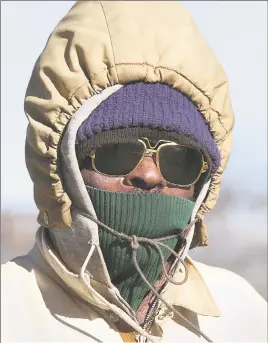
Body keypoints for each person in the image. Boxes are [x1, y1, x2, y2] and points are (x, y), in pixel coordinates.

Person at [2, 2, 266, 342]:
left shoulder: (241, 315)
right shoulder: (9, 311)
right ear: (61, 170)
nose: (150, 175)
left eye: (180, 159)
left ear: (203, 182)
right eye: (116, 152)